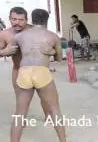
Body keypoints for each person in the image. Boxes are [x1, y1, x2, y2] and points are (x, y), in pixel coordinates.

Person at [10, 8, 66, 142]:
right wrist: (52, 51)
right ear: (47, 20)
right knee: (54, 109)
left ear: (31, 19)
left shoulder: (20, 36)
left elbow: (9, 51)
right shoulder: (53, 36)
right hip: (41, 71)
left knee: (20, 114)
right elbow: (59, 58)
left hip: (24, 71)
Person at [0, 7, 53, 120]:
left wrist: (52, 51)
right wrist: (4, 52)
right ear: (9, 18)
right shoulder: (4, 34)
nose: (17, 23)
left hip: (39, 69)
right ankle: (21, 120)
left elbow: (51, 43)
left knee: (44, 97)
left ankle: (48, 116)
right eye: (14, 19)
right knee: (21, 98)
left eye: (21, 20)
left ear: (26, 19)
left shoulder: (35, 30)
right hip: (18, 70)